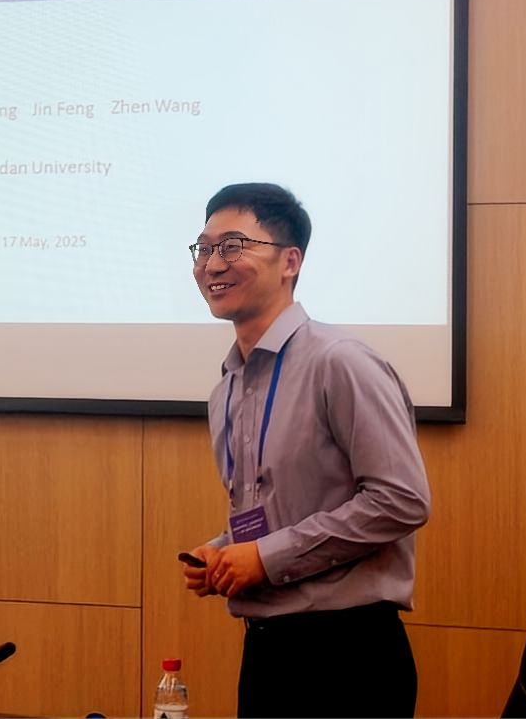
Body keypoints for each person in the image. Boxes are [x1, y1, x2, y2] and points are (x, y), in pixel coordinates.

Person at [181, 182, 431, 718]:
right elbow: (277, 511)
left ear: (290, 261)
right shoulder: (227, 387)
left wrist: (265, 558)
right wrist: (225, 551)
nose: (212, 264)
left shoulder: (340, 361)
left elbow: (402, 500)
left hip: (348, 658)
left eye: (232, 246)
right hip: (267, 650)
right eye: (204, 248)